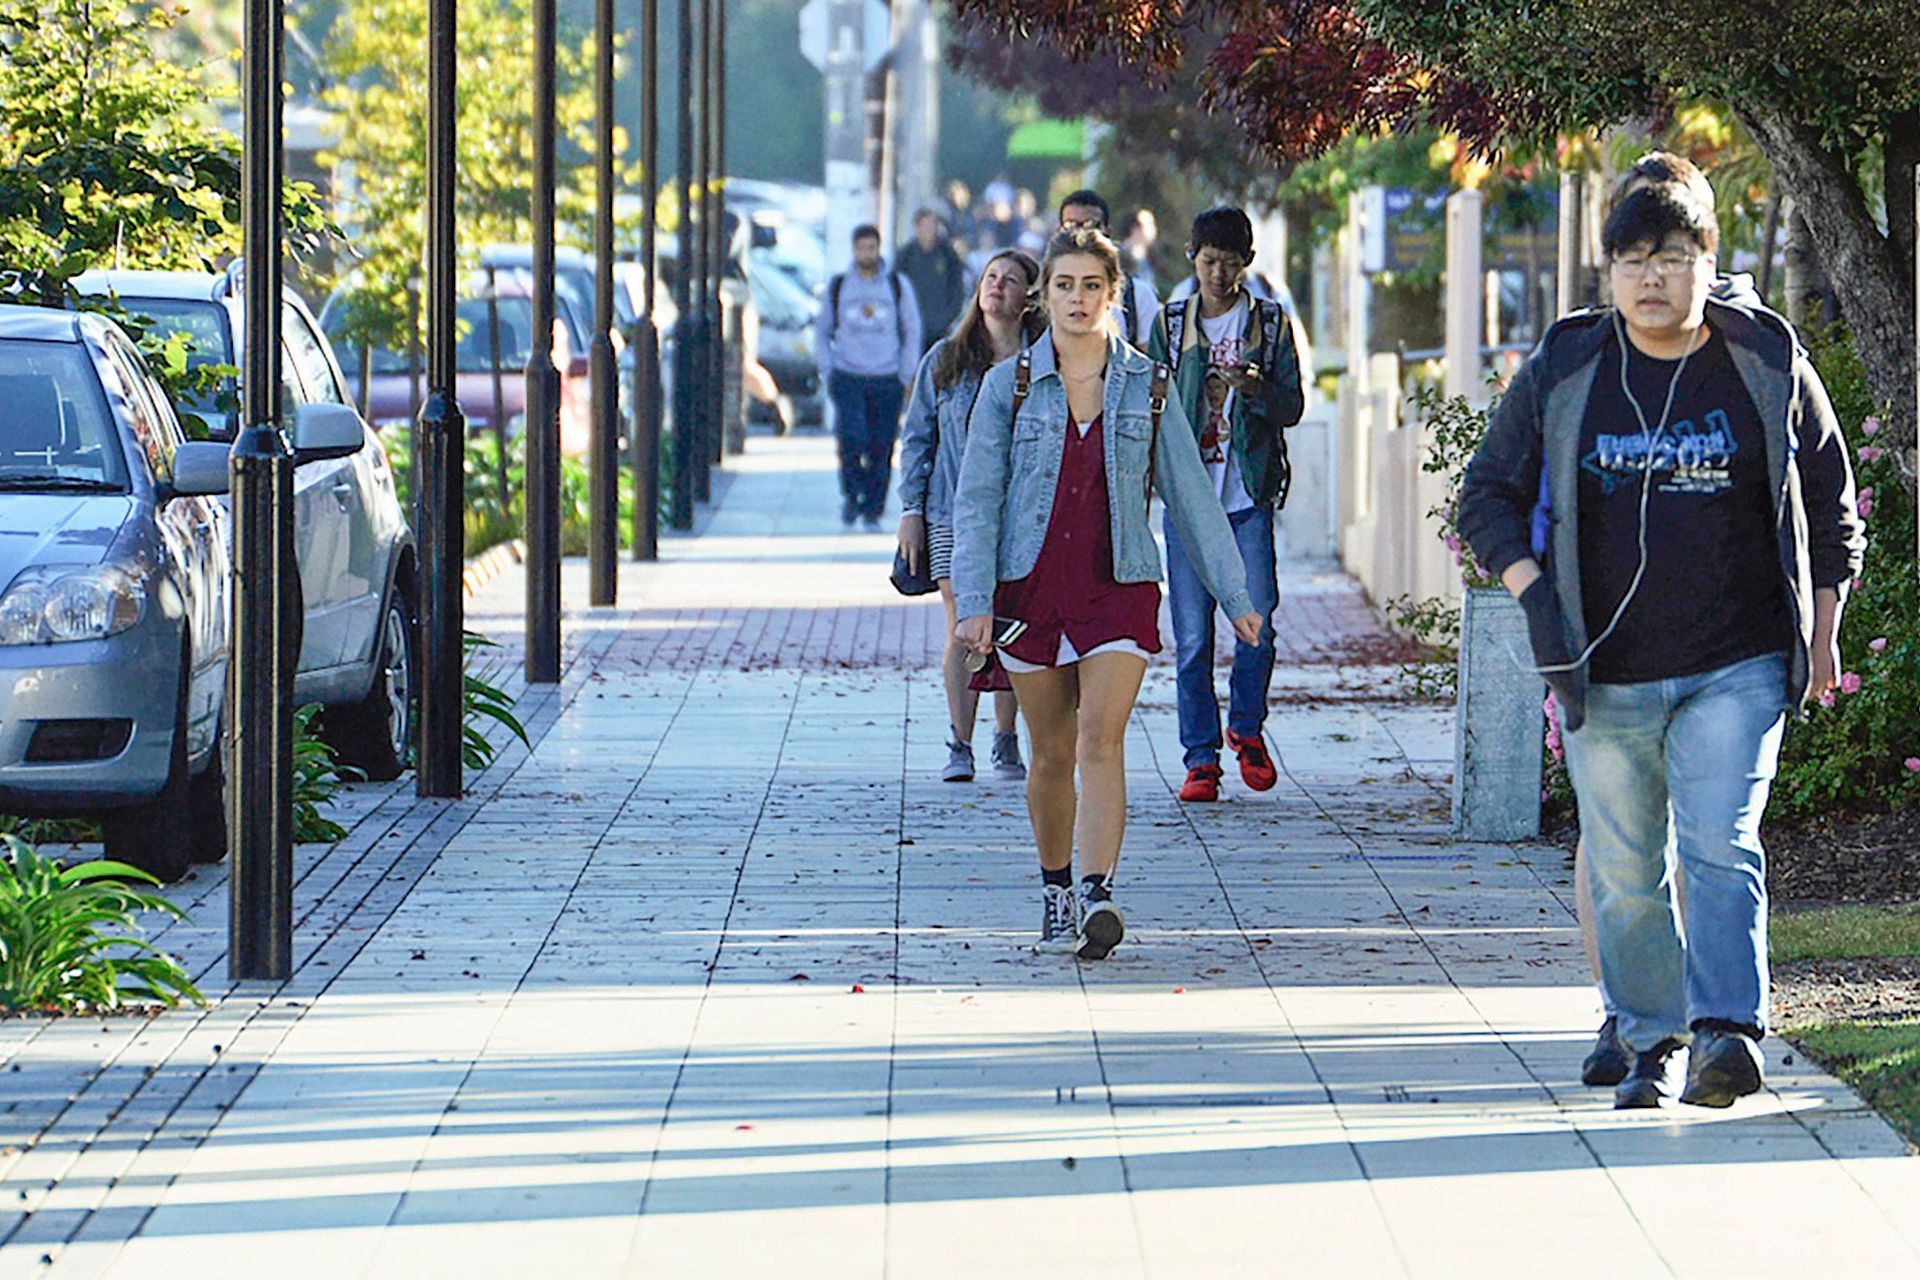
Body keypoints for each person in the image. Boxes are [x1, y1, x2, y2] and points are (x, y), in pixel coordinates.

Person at [1456, 177, 1864, 1109]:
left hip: (1740, 661)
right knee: (1628, 867)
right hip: (1606, 667)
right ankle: (1650, 1038)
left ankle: (1727, 1032)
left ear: (1706, 267)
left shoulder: (1762, 358)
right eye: (1635, 262)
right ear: (1611, 274)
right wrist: (1536, 599)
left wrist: (1825, 626)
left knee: (1720, 843)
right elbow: (1487, 496)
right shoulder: (1568, 368)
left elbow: (1832, 497)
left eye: (1673, 260)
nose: (1653, 279)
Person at [950, 227, 1260, 960]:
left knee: (1101, 739)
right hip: (1027, 588)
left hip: (1118, 585)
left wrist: (1235, 593)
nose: (1078, 299)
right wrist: (973, 601)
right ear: (1043, 294)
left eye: (1093, 286)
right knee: (1051, 752)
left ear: (1114, 295)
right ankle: (1056, 886)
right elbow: (977, 499)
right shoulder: (1010, 386)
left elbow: (1189, 495)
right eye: (1064, 285)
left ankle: (1097, 891)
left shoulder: (1148, 385)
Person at [1149, 206, 1305, 802]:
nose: (1219, 274)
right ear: (1192, 256)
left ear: (1248, 264)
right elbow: (1151, 405)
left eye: (1231, 263)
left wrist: (1256, 390)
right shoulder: (1171, 324)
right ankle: (1200, 757)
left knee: (1257, 625)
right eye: (1210, 260)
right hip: (1191, 506)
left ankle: (1246, 726)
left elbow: (1292, 405)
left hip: (1248, 497)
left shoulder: (1268, 323)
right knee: (1191, 639)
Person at [898, 249, 1040, 783]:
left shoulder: (1042, 362)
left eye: (1009, 281)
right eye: (990, 278)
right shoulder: (946, 359)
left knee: (1011, 622)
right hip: (950, 512)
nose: (997, 287)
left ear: (1029, 299)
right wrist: (911, 511)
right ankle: (960, 742)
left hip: (1023, 512)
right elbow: (918, 440)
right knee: (963, 623)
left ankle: (1006, 739)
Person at [818, 224, 922, 529]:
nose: (867, 254)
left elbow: (911, 329)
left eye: (872, 248)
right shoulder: (839, 286)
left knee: (881, 443)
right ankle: (851, 496)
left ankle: (873, 507)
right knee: (851, 438)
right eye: (861, 248)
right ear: (854, 250)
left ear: (879, 249)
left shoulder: (896, 285)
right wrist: (828, 369)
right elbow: (822, 331)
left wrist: (907, 372)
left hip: (886, 376)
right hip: (848, 374)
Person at [1057, 189, 1161, 349]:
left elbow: (1148, 363)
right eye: (1071, 225)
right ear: (1059, 232)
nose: (1080, 235)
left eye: (1091, 225)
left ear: (1107, 232)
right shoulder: (1048, 296)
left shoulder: (1138, 295)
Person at [896, 209, 971, 356]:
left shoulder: (947, 253)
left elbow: (957, 287)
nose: (930, 230)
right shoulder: (906, 255)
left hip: (940, 328)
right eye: (926, 226)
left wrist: (948, 317)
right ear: (917, 227)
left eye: (933, 226)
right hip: (912, 328)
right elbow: (896, 288)